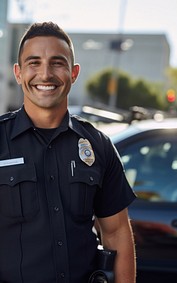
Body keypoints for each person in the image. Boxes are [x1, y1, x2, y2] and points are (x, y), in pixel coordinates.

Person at [0, 22, 136, 283]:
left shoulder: (98, 145)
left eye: (57, 63)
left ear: (73, 73)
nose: (45, 74)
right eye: (34, 63)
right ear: (18, 73)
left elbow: (117, 232)